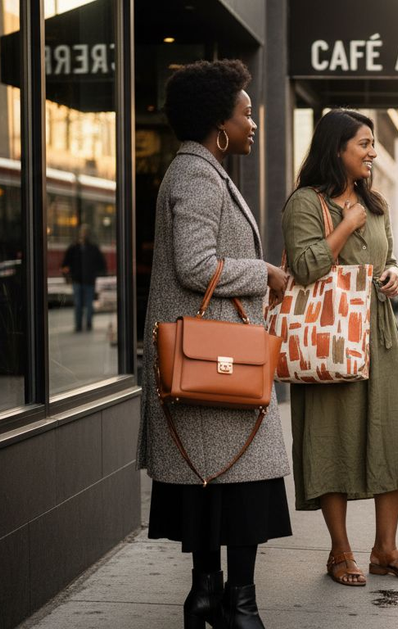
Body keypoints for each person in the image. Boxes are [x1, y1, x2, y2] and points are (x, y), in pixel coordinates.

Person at [138, 59, 291, 629]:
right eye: (247, 113)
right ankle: (238, 602)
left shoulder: (199, 171)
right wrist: (265, 275)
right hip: (218, 358)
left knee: (215, 486)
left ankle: (209, 594)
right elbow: (194, 264)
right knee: (242, 480)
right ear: (218, 123)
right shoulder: (198, 175)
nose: (254, 123)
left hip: (214, 355)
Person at [283, 109, 398, 588]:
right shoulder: (306, 203)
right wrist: (346, 224)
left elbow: (385, 260)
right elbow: (304, 267)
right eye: (364, 144)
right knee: (331, 439)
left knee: (393, 439)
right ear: (337, 148)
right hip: (329, 338)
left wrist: (394, 276)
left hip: (379, 336)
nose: (371, 152)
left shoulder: (376, 203)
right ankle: (340, 551)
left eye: (372, 143)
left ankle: (386, 550)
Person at [60, 225, 106, 332]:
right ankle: (83, 324)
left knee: (82, 303)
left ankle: (81, 325)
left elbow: (65, 263)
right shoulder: (89, 248)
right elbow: (102, 264)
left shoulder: (76, 248)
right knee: (84, 303)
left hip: (82, 280)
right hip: (84, 280)